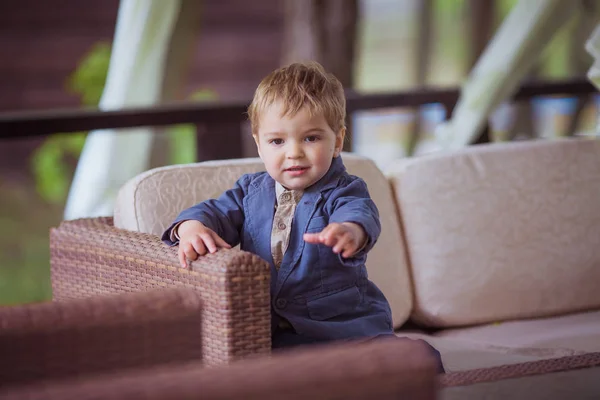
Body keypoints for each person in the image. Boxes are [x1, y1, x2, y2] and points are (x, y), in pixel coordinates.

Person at [162, 61, 444, 372]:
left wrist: (350, 231)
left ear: (337, 141)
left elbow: (359, 213)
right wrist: (191, 227)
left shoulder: (344, 189)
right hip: (275, 337)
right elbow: (213, 212)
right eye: (277, 141)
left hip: (344, 331)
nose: (294, 152)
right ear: (259, 145)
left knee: (420, 358)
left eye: (310, 138)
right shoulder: (249, 192)